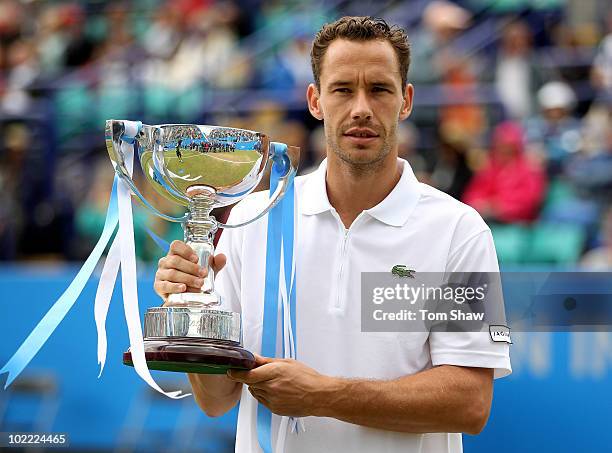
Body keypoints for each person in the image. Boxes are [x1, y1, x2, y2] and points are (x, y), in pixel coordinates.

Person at [154, 16, 511, 453]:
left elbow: (470, 403)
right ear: (315, 100)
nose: (361, 107)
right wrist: (190, 309)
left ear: (406, 101)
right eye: (343, 89)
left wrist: (323, 396)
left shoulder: (459, 230)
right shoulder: (254, 218)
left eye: (379, 89)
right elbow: (216, 400)